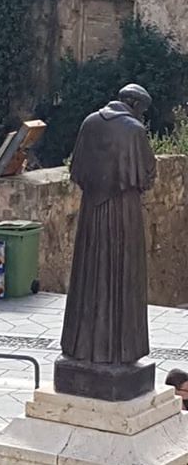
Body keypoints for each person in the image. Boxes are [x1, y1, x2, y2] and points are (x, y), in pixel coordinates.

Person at [60, 83, 156, 364]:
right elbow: (147, 174)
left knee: (88, 276)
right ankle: (121, 351)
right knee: (123, 275)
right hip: (124, 213)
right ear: (137, 106)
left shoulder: (90, 122)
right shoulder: (134, 131)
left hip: (92, 210)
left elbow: (76, 169)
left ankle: (80, 347)